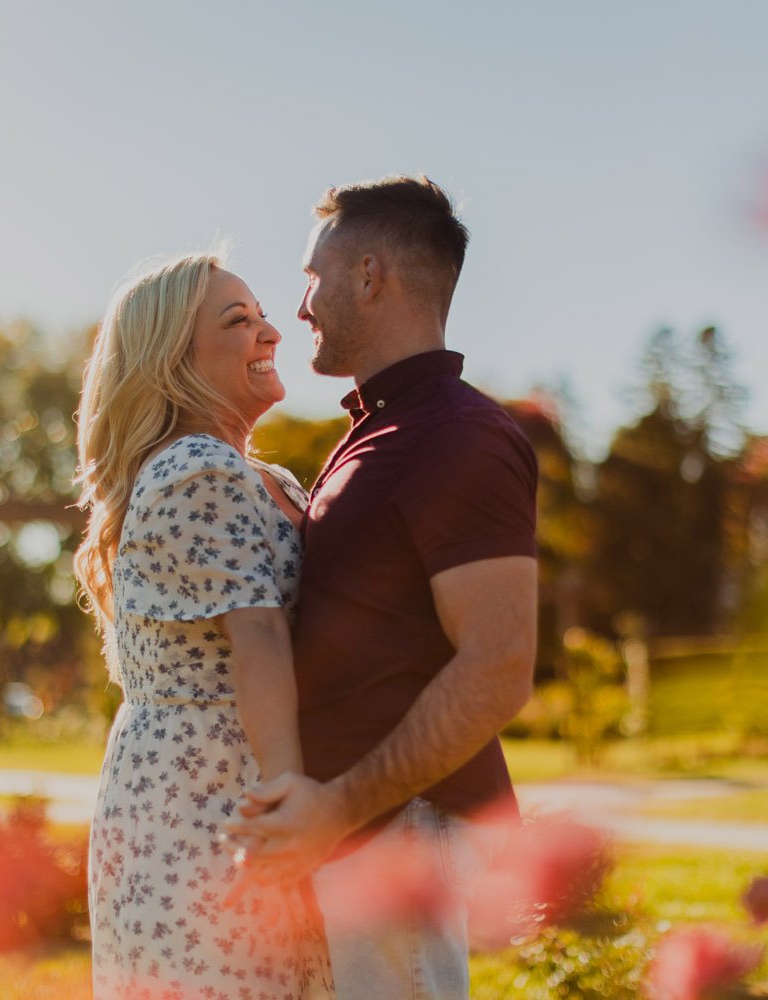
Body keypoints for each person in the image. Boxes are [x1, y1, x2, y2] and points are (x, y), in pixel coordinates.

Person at [227, 175, 540, 999]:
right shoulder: (380, 433)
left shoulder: (455, 436)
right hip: (364, 830)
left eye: (311, 277)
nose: (300, 308)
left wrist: (341, 808)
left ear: (369, 275)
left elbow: (499, 666)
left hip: (404, 826)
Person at [75, 253, 332, 999]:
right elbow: (259, 639)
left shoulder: (268, 477)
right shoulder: (195, 466)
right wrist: (292, 806)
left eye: (261, 314)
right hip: (206, 809)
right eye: (238, 321)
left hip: (224, 791)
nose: (272, 332)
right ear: (172, 360)